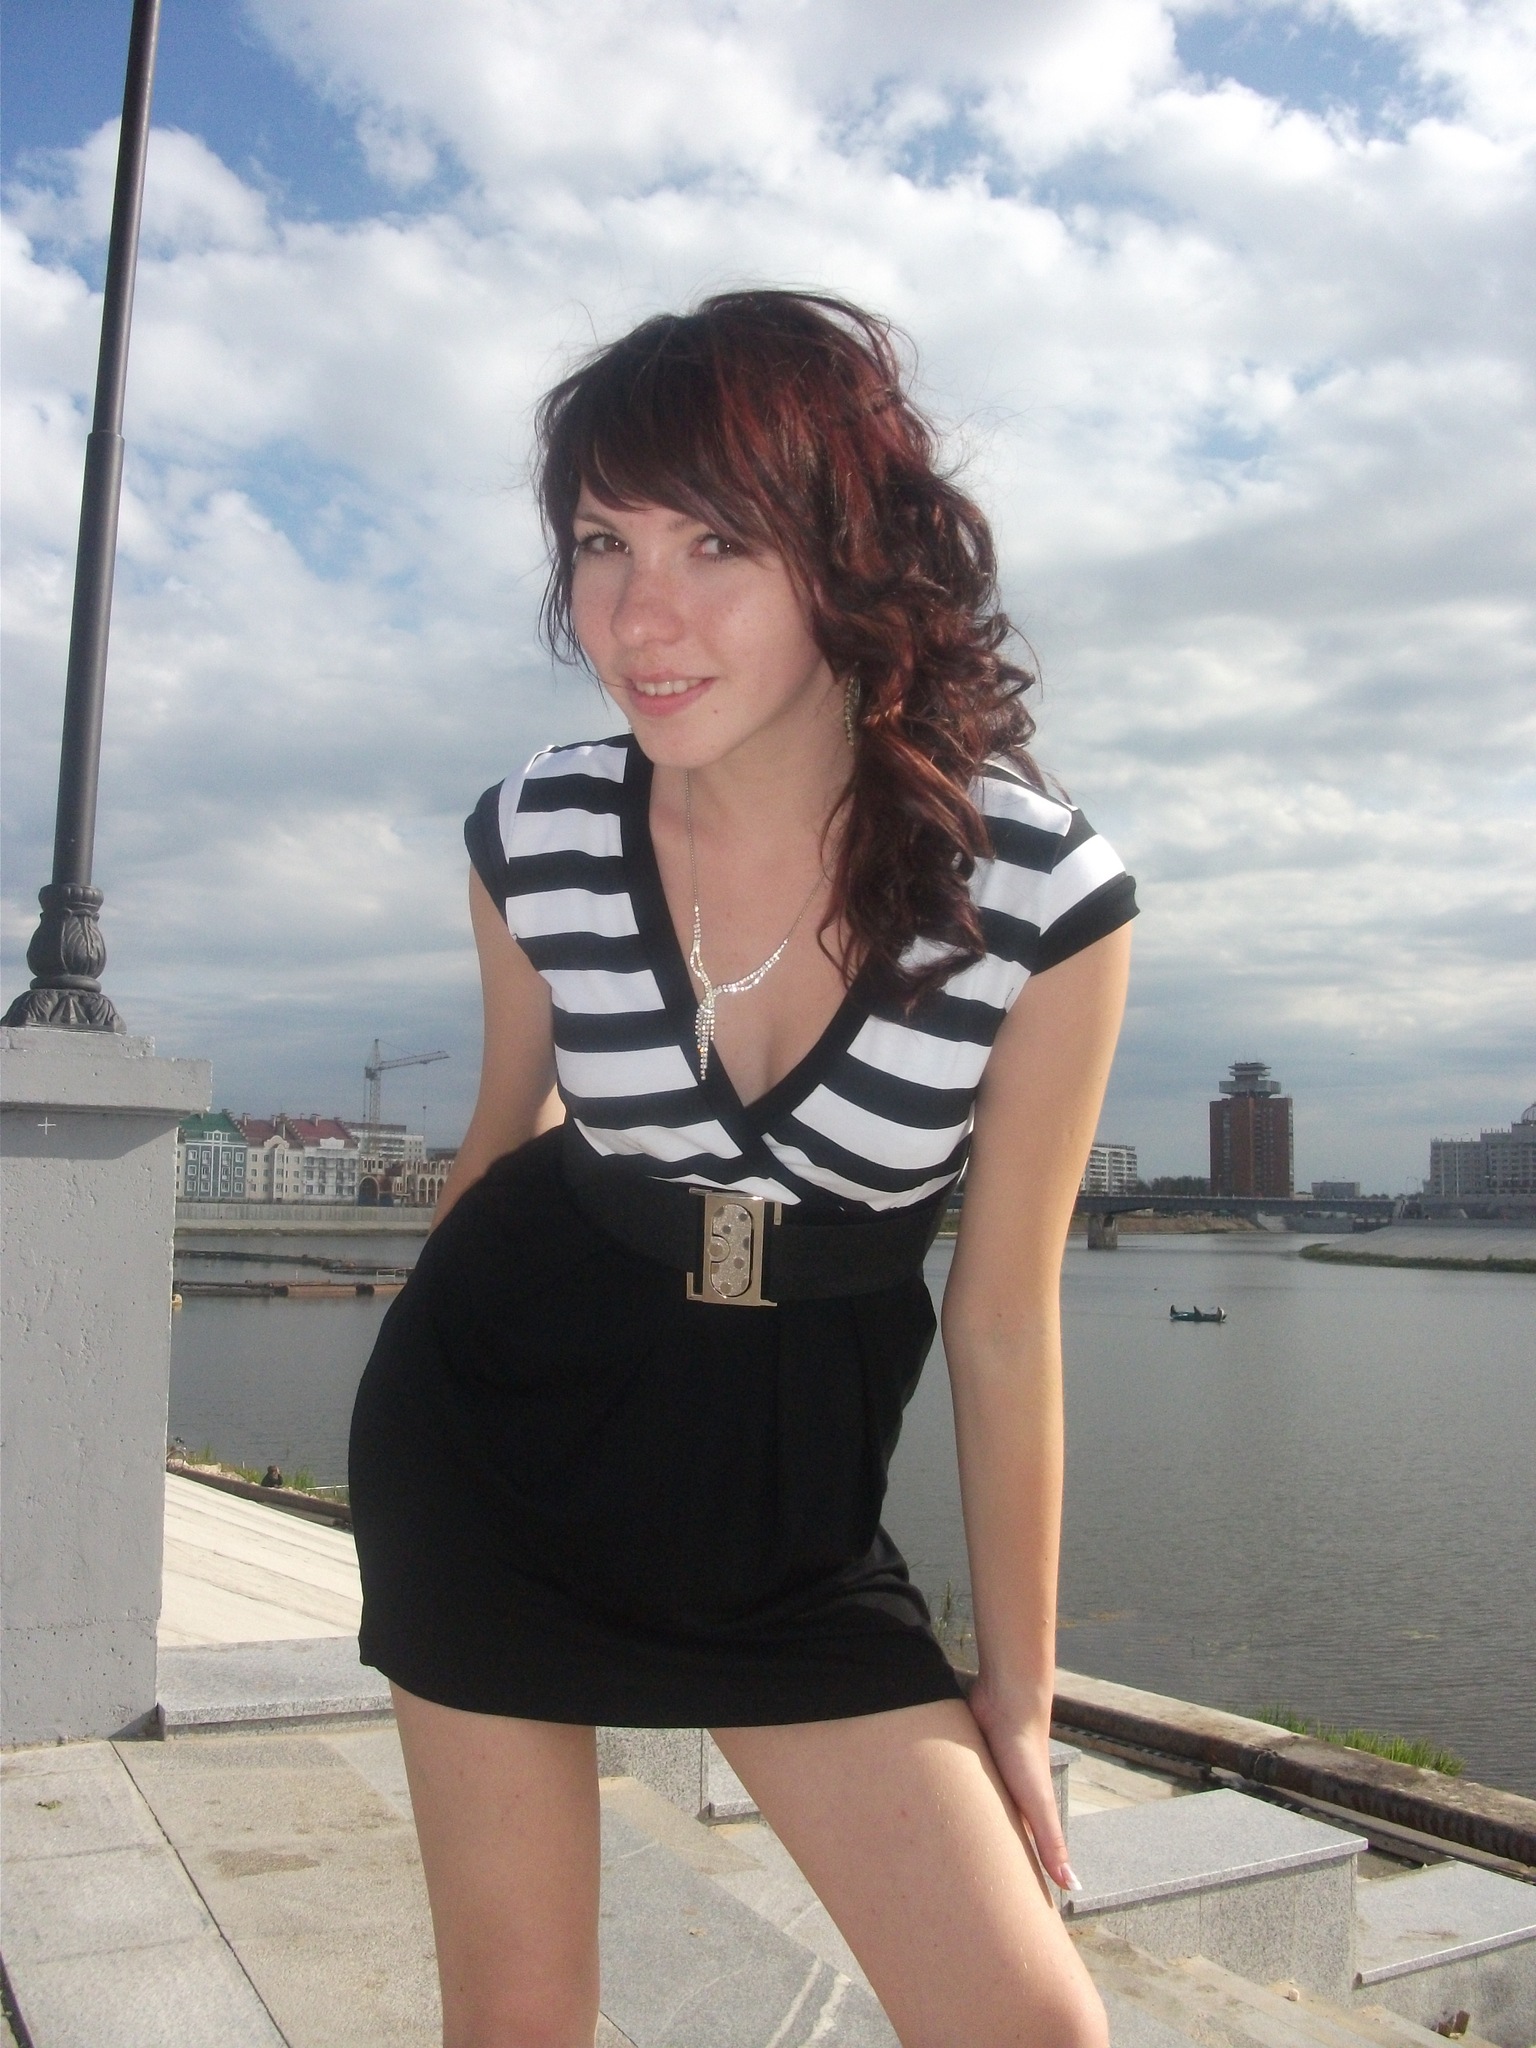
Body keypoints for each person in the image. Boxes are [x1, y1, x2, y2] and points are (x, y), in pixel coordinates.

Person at [349, 290, 1136, 2048]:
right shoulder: (537, 834)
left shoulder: (1038, 897)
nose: (642, 616)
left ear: (850, 554)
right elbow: (503, 1139)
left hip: (788, 1515)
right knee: (522, 2022)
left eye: (718, 541)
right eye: (602, 543)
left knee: (1031, 2027)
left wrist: (1019, 1696)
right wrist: (396, 1398)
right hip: (493, 1449)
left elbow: (1003, 1319)